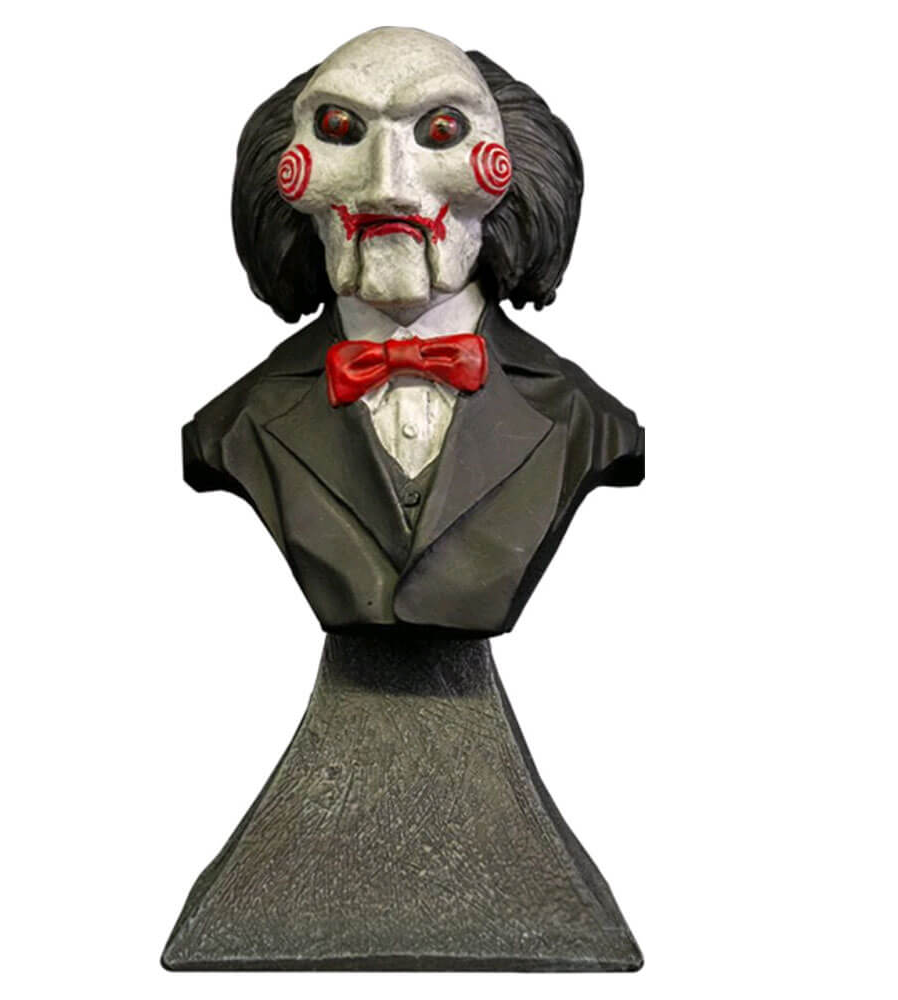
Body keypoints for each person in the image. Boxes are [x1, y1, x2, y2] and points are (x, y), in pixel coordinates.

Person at [183, 26, 644, 636]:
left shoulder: (590, 423)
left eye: (441, 132)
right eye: (341, 130)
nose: (388, 187)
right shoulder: (231, 427)